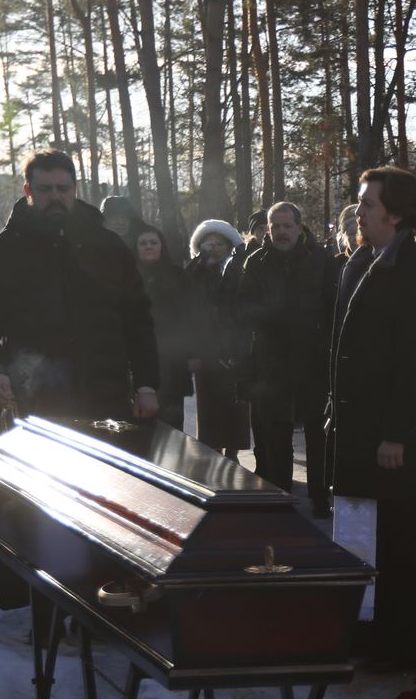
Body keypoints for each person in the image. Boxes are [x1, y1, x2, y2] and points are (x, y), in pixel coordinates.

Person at [327, 166, 416, 671]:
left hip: (400, 437)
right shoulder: (364, 260)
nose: (358, 211)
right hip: (362, 424)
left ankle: (412, 645)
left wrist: (396, 433)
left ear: (397, 214)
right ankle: (373, 635)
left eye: (368, 203)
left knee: (409, 542)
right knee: (373, 537)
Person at [0, 147, 159, 423]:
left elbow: (137, 319)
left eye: (63, 188)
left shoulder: (108, 247)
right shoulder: (2, 252)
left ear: (74, 189)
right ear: (28, 190)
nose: (55, 196)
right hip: (31, 400)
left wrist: (146, 385)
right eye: (45, 189)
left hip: (104, 398)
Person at [235, 201, 336, 514]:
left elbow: (334, 306)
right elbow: (243, 309)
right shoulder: (256, 262)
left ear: (299, 227)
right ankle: (281, 497)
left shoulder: (321, 260)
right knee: (276, 433)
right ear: (267, 228)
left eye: (286, 226)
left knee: (317, 432)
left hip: (313, 359)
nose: (281, 232)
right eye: (275, 226)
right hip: (272, 361)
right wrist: (270, 315)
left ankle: (320, 496)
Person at [185, 218, 247, 452]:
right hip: (205, 348)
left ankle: (233, 449)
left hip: (232, 345)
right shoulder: (194, 272)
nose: (214, 248)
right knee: (208, 402)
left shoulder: (238, 269)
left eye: (220, 244)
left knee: (235, 402)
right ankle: (211, 449)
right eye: (208, 243)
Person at [134, 224, 193, 429]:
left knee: (171, 421)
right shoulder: (129, 275)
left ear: (162, 246)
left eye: (153, 242)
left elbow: (191, 315)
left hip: (173, 357)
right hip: (139, 354)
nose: (148, 246)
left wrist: (193, 353)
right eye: (143, 243)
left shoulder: (178, 276)